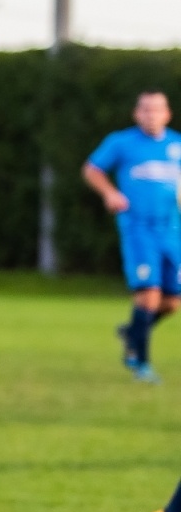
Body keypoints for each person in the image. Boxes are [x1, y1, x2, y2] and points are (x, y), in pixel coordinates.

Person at [83, 91, 181, 383]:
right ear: (136, 114)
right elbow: (92, 169)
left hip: (172, 231)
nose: (151, 115)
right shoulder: (122, 143)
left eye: (157, 110)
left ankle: (133, 332)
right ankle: (141, 363)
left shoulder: (177, 144)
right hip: (139, 229)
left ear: (167, 114)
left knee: (173, 302)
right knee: (149, 294)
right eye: (145, 110)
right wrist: (110, 192)